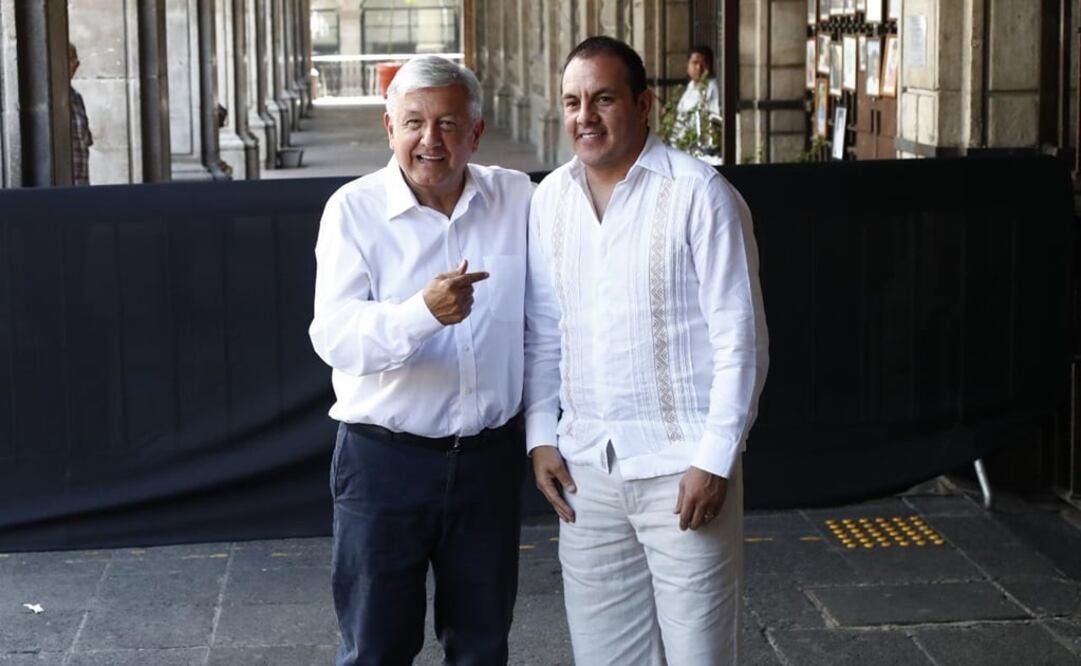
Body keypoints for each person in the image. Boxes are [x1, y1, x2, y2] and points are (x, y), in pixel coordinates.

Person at [525, 36, 769, 664]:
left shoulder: (700, 195)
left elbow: (740, 339)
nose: (585, 116)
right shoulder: (548, 200)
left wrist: (714, 459)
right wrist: (540, 436)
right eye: (574, 101)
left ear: (643, 104)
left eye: (603, 99)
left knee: (700, 656)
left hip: (682, 470)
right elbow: (546, 331)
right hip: (586, 472)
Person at [309, 55, 532, 666]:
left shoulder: (518, 198)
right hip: (385, 464)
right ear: (389, 128)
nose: (429, 140)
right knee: (376, 648)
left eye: (448, 124)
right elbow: (334, 337)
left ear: (477, 133)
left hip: (489, 462)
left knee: (483, 644)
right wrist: (421, 313)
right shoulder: (352, 211)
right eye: (413, 123)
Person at [68, 43, 93, 186]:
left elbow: (85, 142)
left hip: (81, 184)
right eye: (70, 59)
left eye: (76, 60)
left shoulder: (77, 97)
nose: (75, 65)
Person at [676, 45, 720, 118]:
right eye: (695, 63)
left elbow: (715, 118)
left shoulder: (713, 88)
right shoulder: (691, 85)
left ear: (710, 65)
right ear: (687, 65)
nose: (699, 68)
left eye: (703, 63)